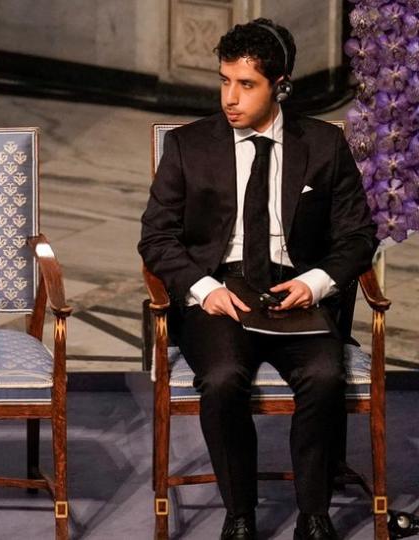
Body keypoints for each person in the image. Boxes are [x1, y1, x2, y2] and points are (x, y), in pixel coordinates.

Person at [138, 19, 377, 540]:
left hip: (295, 293)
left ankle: (314, 515)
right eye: (225, 80)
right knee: (222, 379)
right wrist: (204, 291)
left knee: (324, 377)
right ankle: (240, 513)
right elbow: (156, 240)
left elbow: (358, 236)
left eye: (246, 85)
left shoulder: (323, 145)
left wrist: (316, 283)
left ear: (280, 85)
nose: (230, 97)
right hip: (219, 293)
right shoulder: (188, 146)